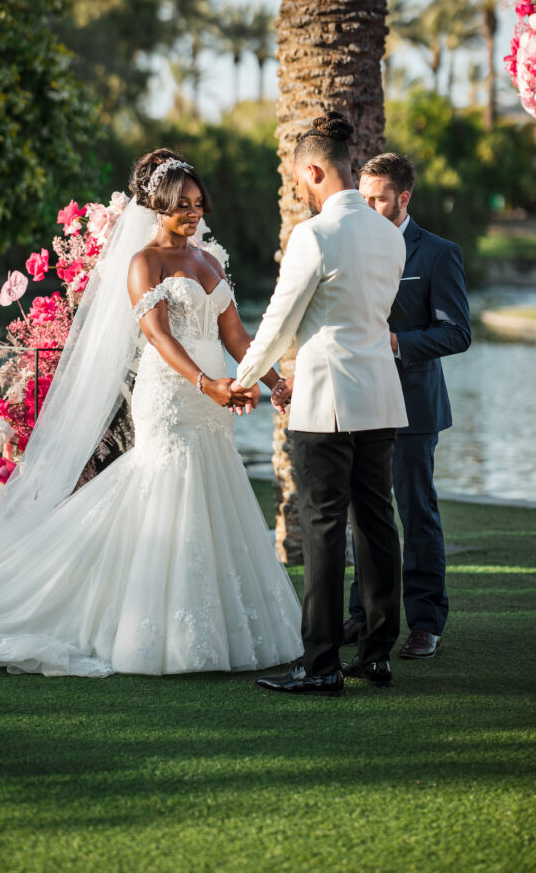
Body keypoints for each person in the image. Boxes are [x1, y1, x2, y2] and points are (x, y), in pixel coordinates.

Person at [0, 149, 302, 678]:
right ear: (156, 206)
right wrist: (205, 382)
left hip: (214, 401)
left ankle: (223, 628)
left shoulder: (209, 260)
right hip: (173, 393)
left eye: (198, 204)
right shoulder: (143, 263)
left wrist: (275, 382)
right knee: (167, 483)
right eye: (182, 206)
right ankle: (154, 626)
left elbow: (236, 333)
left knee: (213, 489)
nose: (193, 214)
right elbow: (157, 333)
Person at [233, 113, 408, 696]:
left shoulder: (314, 235)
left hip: (327, 402)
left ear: (313, 169)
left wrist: (244, 378)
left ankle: (322, 663)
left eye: (298, 181)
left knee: (325, 527)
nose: (299, 191)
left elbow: (280, 321)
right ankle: (378, 654)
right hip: (381, 398)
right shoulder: (390, 232)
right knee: (378, 524)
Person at [345, 153, 471, 659]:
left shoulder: (438, 253)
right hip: (358, 397)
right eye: (365, 197)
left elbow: (456, 332)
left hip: (414, 404)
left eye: (379, 198)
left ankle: (425, 622)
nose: (371, 207)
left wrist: (396, 343)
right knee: (365, 513)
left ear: (404, 197)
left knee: (417, 513)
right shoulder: (349, 246)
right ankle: (363, 615)